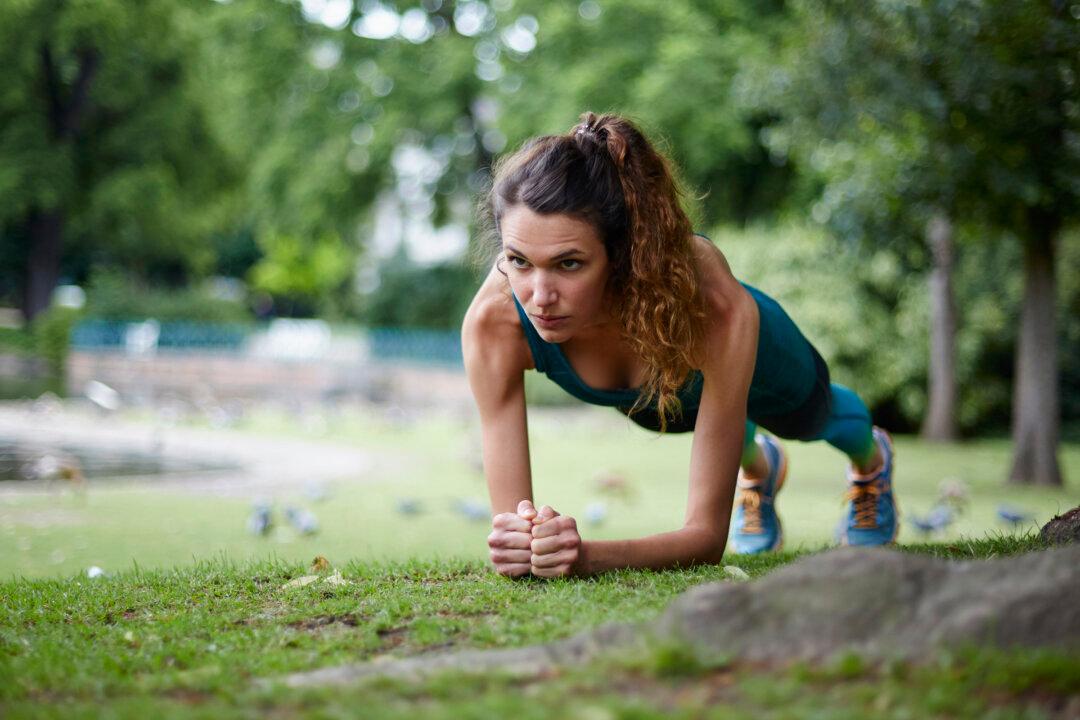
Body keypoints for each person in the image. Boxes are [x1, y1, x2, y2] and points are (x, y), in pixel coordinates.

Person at [461, 112, 898, 579]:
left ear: (624, 252)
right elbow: (512, 523)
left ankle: (871, 461)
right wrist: (522, 543)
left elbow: (705, 540)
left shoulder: (716, 306)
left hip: (763, 359)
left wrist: (585, 555)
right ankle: (758, 468)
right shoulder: (495, 322)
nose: (539, 297)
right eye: (518, 261)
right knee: (691, 420)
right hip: (660, 401)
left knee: (818, 417)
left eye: (569, 264)